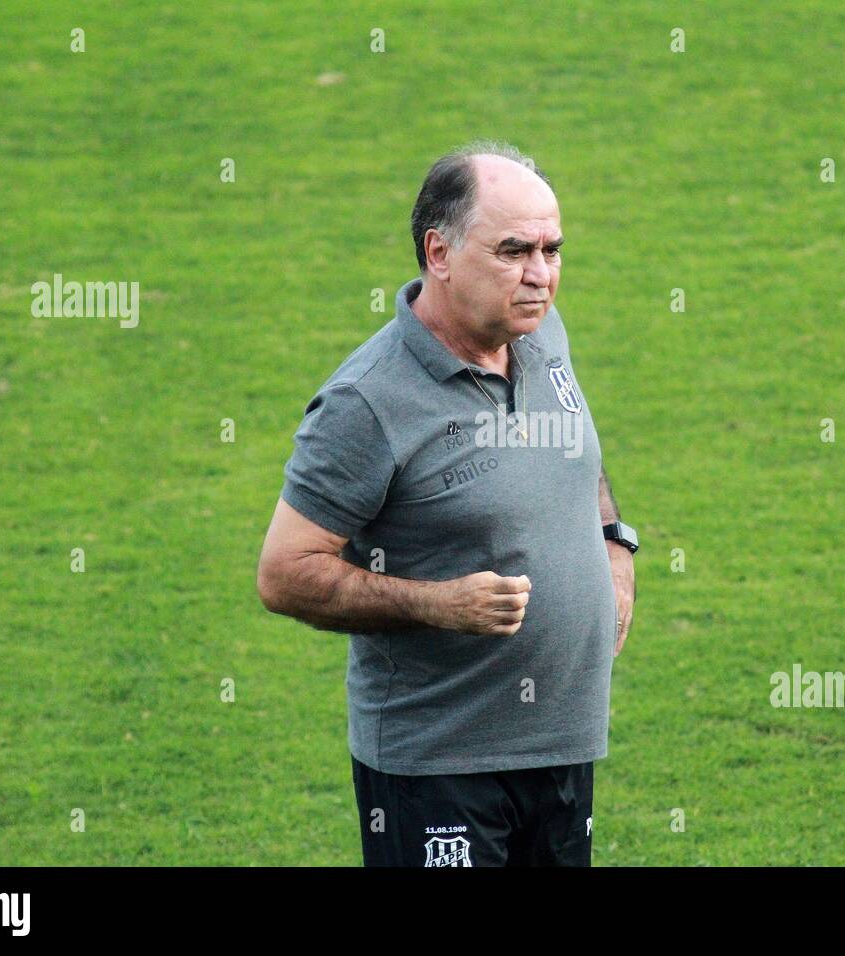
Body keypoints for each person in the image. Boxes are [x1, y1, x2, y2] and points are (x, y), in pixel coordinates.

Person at [257, 140, 639, 867]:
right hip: (438, 768)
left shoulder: (538, 334)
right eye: (514, 251)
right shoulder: (366, 403)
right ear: (439, 252)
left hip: (560, 743)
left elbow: (575, 456)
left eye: (553, 250)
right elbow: (283, 573)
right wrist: (436, 604)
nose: (540, 277)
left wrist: (614, 541)